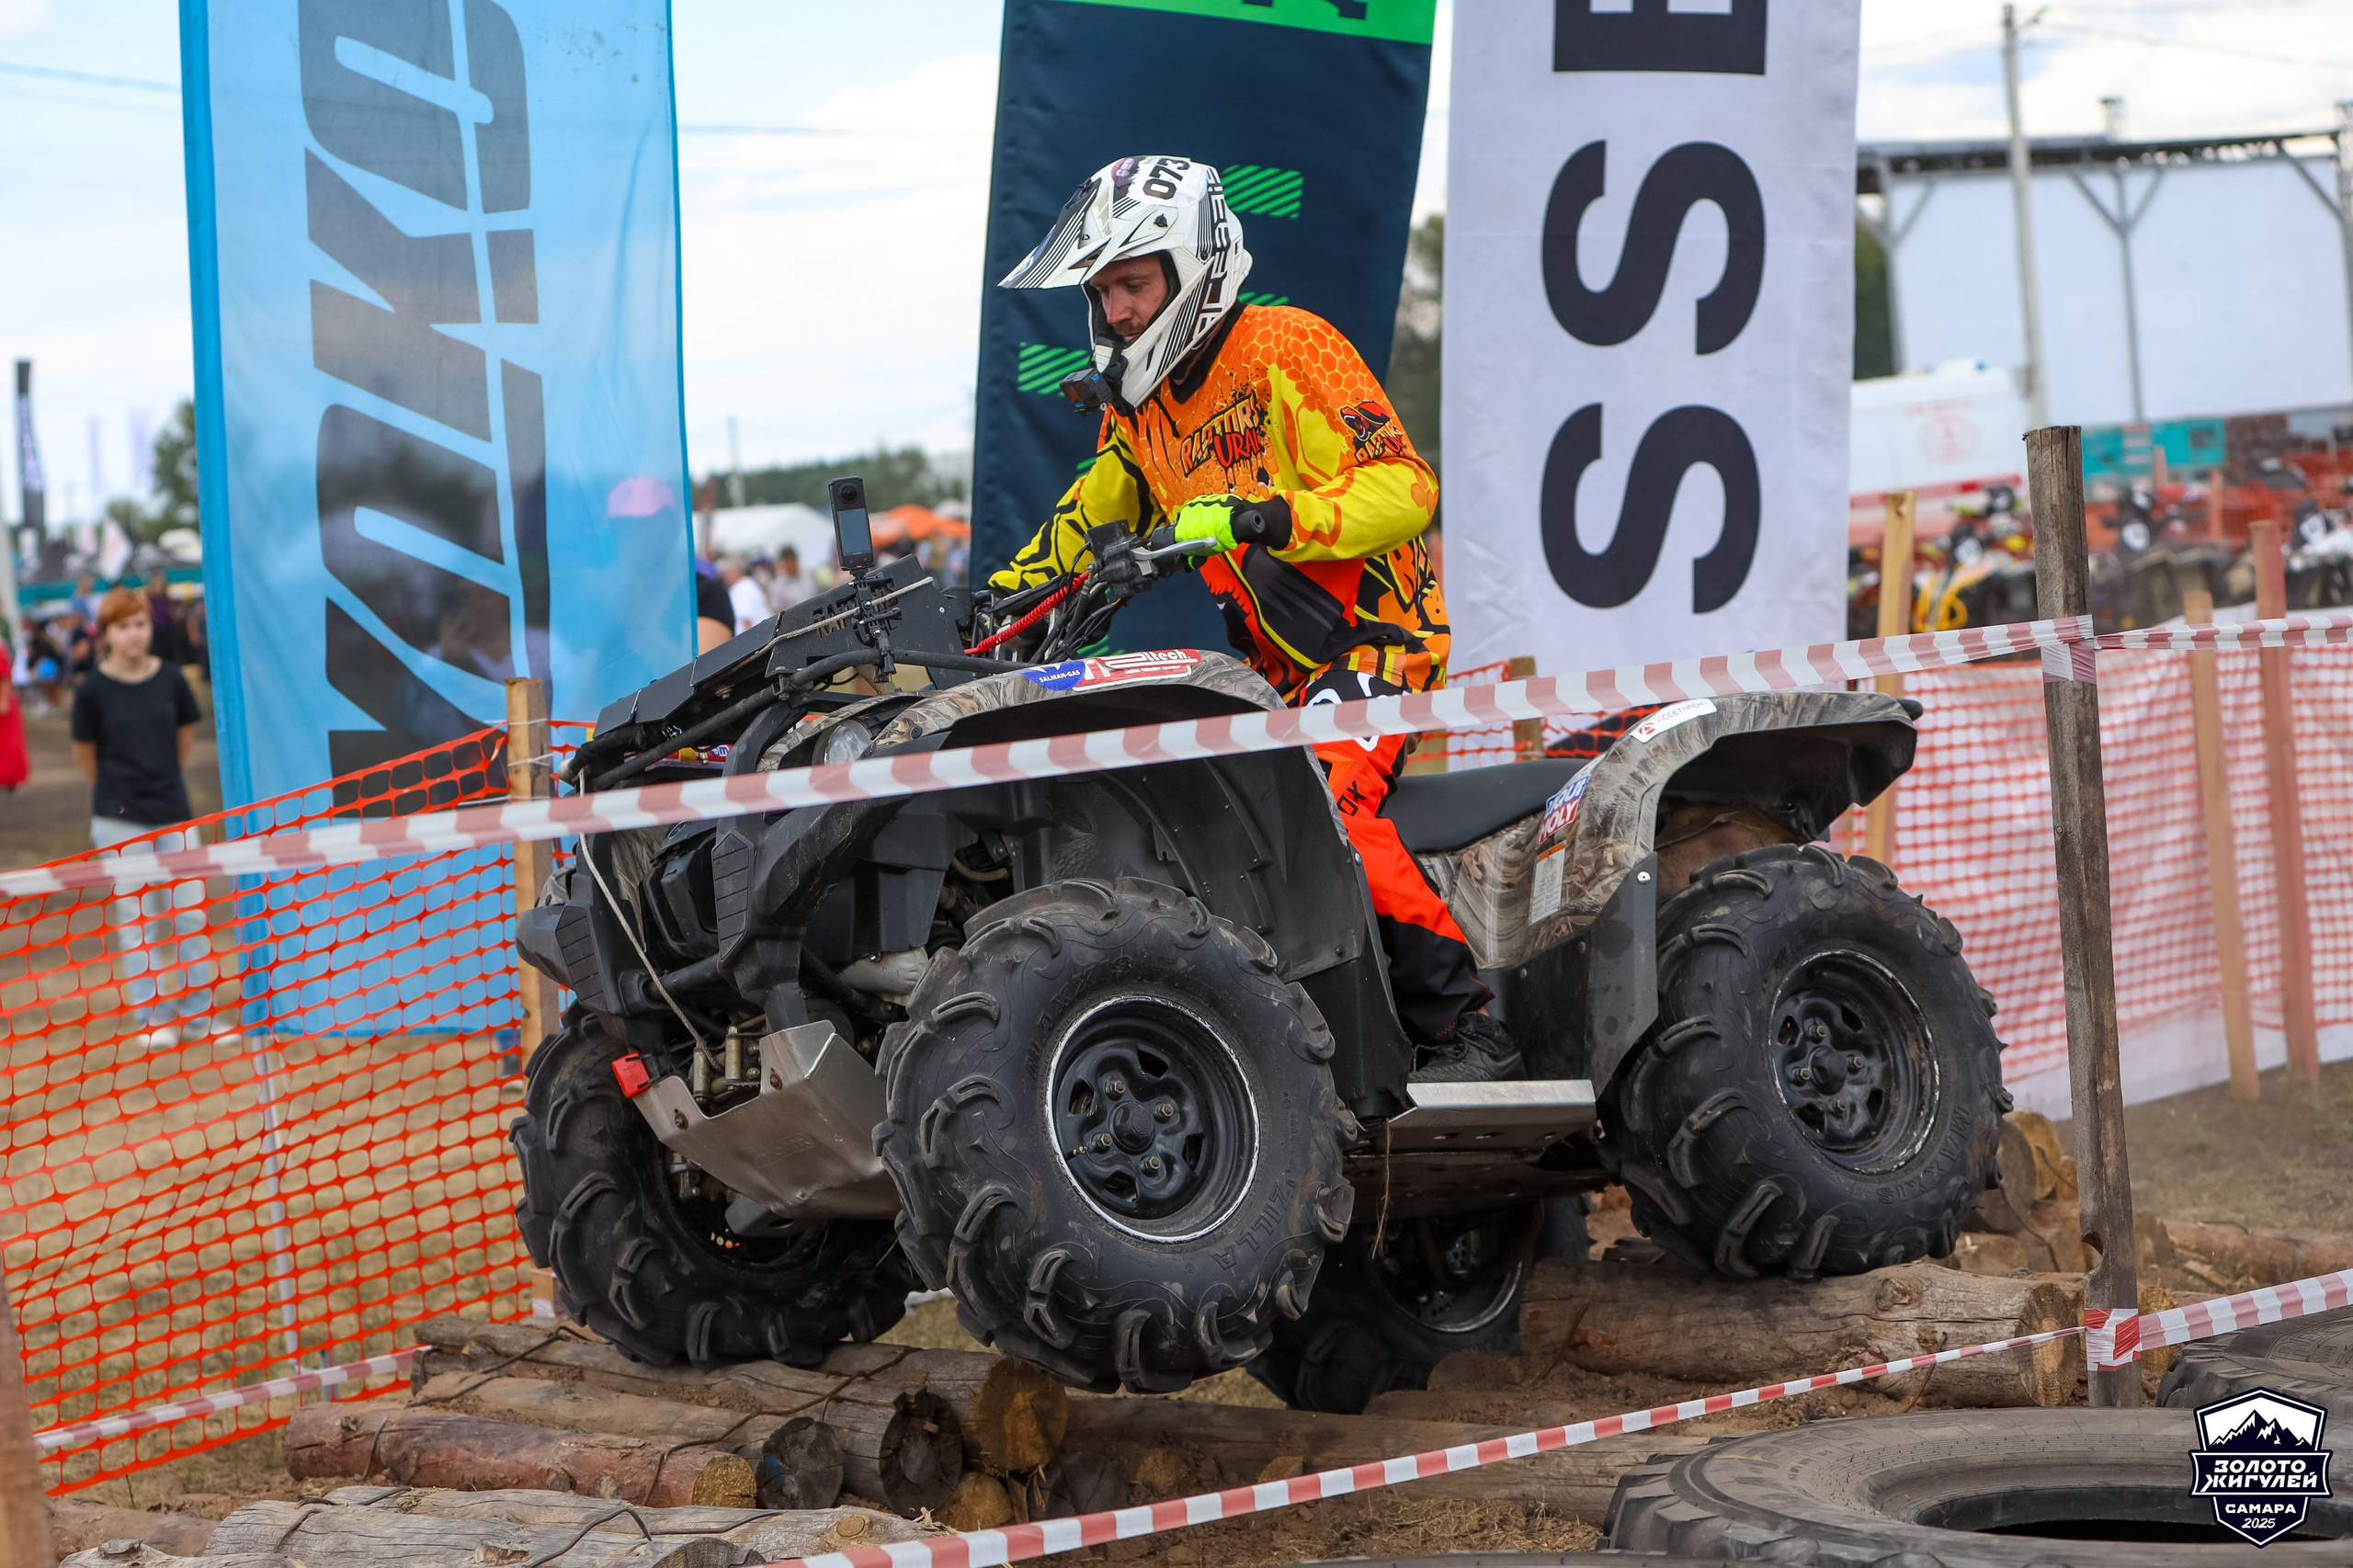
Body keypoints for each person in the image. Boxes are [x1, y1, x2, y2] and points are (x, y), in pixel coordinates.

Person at [988, 153, 1517, 1084]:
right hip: (1271, 673)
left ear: (1193, 269)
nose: (1113, 312)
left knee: (1325, 798)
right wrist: (996, 601)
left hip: (1377, 641)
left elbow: (1406, 487)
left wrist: (1272, 515)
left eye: (1133, 285)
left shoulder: (1286, 346)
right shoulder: (1138, 414)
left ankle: (1467, 1021)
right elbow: (1085, 522)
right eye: (1103, 291)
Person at [71, 586, 199, 848]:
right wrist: (115, 788)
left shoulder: (172, 679)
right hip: (117, 815)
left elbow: (185, 734)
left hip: (172, 807)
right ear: (106, 632)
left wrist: (168, 772)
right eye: (123, 626)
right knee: (133, 891)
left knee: (190, 888)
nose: (134, 634)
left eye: (140, 624)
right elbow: (84, 751)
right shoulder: (90, 690)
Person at [714, 554, 767, 636]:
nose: (723, 577)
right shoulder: (745, 585)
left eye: (725, 573)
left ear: (734, 571)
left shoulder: (742, 589)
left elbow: (747, 621)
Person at [766, 546, 811, 613]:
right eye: (787, 561)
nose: (791, 564)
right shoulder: (779, 585)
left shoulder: (808, 576)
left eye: (792, 560)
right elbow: (776, 609)